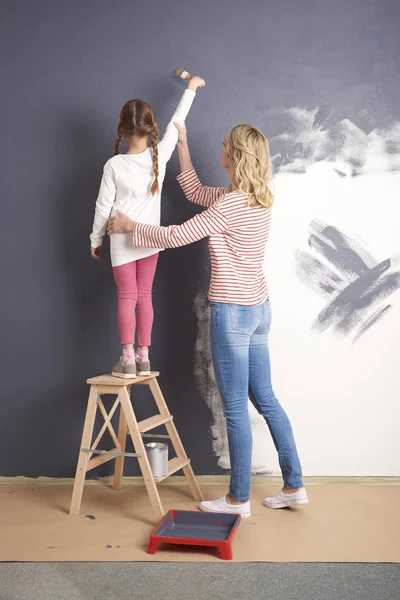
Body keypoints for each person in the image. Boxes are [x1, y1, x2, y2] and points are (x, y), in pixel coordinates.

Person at [107, 122, 308, 516]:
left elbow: (177, 235)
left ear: (233, 155)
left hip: (231, 312)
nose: (219, 146)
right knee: (264, 397)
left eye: (224, 144)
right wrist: (182, 145)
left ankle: (237, 500)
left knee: (234, 407)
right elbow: (196, 193)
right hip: (259, 309)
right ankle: (294, 485)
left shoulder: (230, 205)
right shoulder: (256, 198)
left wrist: (131, 227)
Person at [90, 76, 206, 378]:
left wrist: (95, 239)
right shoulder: (160, 154)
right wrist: (191, 88)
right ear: (150, 127)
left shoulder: (113, 165)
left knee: (126, 296)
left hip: (120, 239)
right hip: (150, 240)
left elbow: (103, 207)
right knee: (145, 295)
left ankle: (127, 360)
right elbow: (177, 121)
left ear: (122, 129)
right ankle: (144, 356)